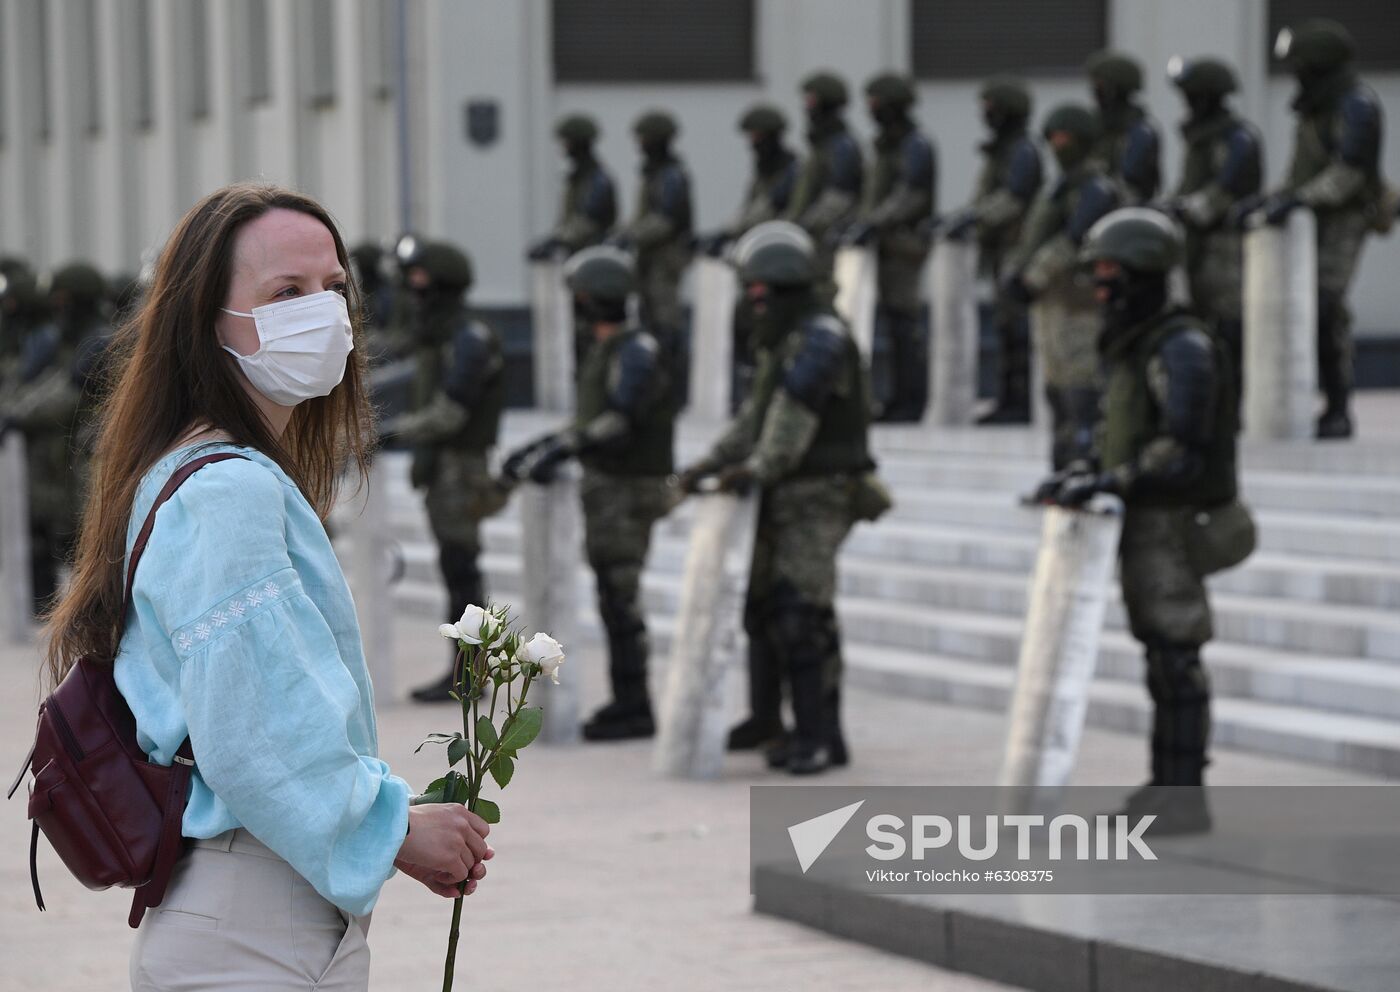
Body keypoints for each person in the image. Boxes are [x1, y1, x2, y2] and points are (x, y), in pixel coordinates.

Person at [40, 183, 493, 990]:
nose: (321, 312)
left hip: (257, 912)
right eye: (285, 293)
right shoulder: (226, 490)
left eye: (333, 290)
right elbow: (256, 733)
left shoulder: (202, 468)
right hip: (252, 925)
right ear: (207, 323)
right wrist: (394, 828)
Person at [1034, 208, 1253, 833]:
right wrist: (1086, 471)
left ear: (1142, 274)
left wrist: (1115, 480)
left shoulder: (1181, 347)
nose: (1099, 286)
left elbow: (1180, 447)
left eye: (1109, 272)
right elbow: (1126, 432)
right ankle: (1166, 785)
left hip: (1174, 523)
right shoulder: (1140, 343)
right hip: (1146, 520)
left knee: (1176, 653)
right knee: (1160, 655)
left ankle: (1184, 796)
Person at [677, 221, 881, 776]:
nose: (753, 301)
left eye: (760, 290)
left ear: (784, 286)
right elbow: (754, 419)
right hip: (781, 494)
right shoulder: (784, 339)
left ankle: (820, 735)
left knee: (801, 612)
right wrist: (712, 462)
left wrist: (756, 468)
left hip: (819, 495)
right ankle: (768, 719)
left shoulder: (820, 338)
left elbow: (790, 422)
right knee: (762, 608)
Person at [500, 247, 675, 741]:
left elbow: (619, 421)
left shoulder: (636, 350)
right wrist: (546, 444)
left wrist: (564, 447)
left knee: (621, 600)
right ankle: (627, 701)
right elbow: (590, 421)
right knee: (612, 597)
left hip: (628, 490)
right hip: (608, 490)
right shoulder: (610, 348)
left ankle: (634, 704)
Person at [380, 240, 508, 704]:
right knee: (457, 571)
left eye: (420, 280)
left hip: (462, 469)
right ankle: (466, 670)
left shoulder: (468, 337)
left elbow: (451, 412)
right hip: (445, 470)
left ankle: (470, 674)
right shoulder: (444, 334)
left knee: (463, 573)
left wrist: (391, 433)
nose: (414, 291)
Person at [1252, 18, 1385, 439]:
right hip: (1315, 217)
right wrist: (1272, 198)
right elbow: (1300, 172)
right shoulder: (1316, 106)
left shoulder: (1355, 105)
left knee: (1327, 307)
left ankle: (1339, 405)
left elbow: (1349, 174)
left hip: (1345, 218)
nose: (1296, 74)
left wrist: (1298, 200)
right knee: (1308, 309)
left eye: (1302, 65)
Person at [1002, 104, 1119, 469]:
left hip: (1079, 304)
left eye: (1063, 138)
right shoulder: (1060, 188)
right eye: (1051, 139)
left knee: (1080, 391)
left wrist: (1032, 276)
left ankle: (1084, 466)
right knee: (1056, 392)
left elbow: (1073, 240)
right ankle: (1061, 468)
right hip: (1052, 304)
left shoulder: (1096, 189)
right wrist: (1017, 272)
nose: (1056, 146)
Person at [2, 263, 108, 615]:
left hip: (83, 466)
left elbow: (71, 397)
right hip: (61, 467)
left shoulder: (99, 341)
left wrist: (17, 415)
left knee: (87, 547)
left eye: (64, 300)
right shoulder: (61, 341)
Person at [1162, 56, 1262, 413]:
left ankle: (1232, 404)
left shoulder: (1237, 138)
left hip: (1227, 247)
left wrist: (1186, 210)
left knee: (1229, 325)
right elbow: (1188, 186)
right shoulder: (1200, 138)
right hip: (1196, 246)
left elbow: (1225, 191)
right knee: (1201, 320)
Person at [944, 77, 1044, 425]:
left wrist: (975, 217)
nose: (985, 116)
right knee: (1004, 325)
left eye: (991, 110)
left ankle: (1019, 401)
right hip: (1001, 248)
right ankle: (1007, 397)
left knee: (1016, 327)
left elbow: (1014, 198)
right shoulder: (1002, 151)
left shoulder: (1022, 152)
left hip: (1017, 249)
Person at [844, 72, 936, 422]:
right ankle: (898, 396)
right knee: (892, 324)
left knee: (904, 324)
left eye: (877, 103)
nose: (872, 110)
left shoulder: (915, 146)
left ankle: (912, 399)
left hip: (904, 248)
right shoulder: (886, 147)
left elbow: (911, 195)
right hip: (883, 246)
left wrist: (873, 222)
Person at [696, 104, 801, 405]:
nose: (753, 144)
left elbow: (765, 210)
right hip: (762, 262)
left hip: (782, 266)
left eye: (757, 136)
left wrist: (728, 233)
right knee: (746, 322)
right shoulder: (763, 172)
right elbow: (749, 208)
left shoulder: (791, 172)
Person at [614, 110, 694, 368]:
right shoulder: (654, 173)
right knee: (649, 317)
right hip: (651, 259)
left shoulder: (671, 175)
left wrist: (630, 235)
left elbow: (666, 220)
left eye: (644, 139)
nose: (640, 145)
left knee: (665, 320)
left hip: (665, 260)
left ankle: (672, 375)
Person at [785, 71, 864, 282]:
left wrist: (802, 225)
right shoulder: (821, 147)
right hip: (812, 241)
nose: (807, 107)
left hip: (827, 243)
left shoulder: (841, 147)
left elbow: (839, 197)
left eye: (811, 101)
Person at [527, 114, 618, 260]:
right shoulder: (577, 178)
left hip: (594, 256)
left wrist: (558, 240)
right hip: (578, 255)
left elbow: (588, 219)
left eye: (567, 142)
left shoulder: (597, 181)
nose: (564, 148)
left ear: (578, 143)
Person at [1085, 50, 1161, 204]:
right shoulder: (1097, 128)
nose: (1095, 93)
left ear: (1115, 90)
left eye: (1100, 86)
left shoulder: (1140, 132)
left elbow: (1131, 176)